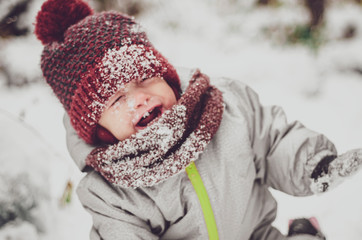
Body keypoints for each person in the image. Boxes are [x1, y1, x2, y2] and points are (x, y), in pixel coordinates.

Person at [35, 0, 362, 239]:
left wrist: (312, 163)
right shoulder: (109, 193)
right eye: (117, 99)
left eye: (146, 79)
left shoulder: (225, 107)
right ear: (97, 127)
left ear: (168, 77)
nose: (139, 98)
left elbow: (274, 141)